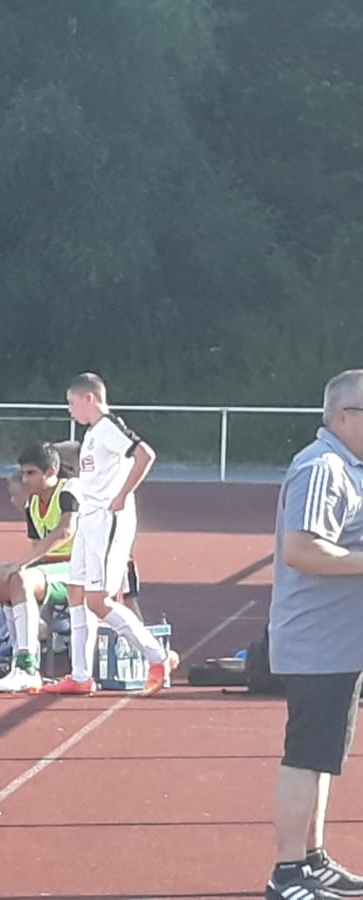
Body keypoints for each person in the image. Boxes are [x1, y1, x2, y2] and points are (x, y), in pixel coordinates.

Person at [264, 369, 363, 900]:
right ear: (343, 416)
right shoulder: (323, 467)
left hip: (337, 644)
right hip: (318, 642)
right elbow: (301, 549)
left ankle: (312, 860)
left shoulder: (346, 468)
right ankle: (286, 873)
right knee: (305, 757)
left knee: (322, 758)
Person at [42, 372, 176, 696]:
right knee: (76, 592)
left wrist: (122, 495)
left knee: (98, 601)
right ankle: (80, 675)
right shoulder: (91, 433)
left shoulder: (109, 426)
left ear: (89, 398)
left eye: (72, 402)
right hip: (88, 521)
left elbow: (145, 454)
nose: (69, 410)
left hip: (107, 520)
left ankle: (158, 657)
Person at [0, 443, 79, 693]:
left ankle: (27, 668)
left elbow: (66, 531)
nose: (25, 479)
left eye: (31, 473)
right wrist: (9, 570)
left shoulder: (70, 490)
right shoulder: (32, 504)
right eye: (23, 473)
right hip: (47, 570)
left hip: (76, 569)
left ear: (51, 472)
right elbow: (36, 548)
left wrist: (20, 565)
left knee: (19, 578)